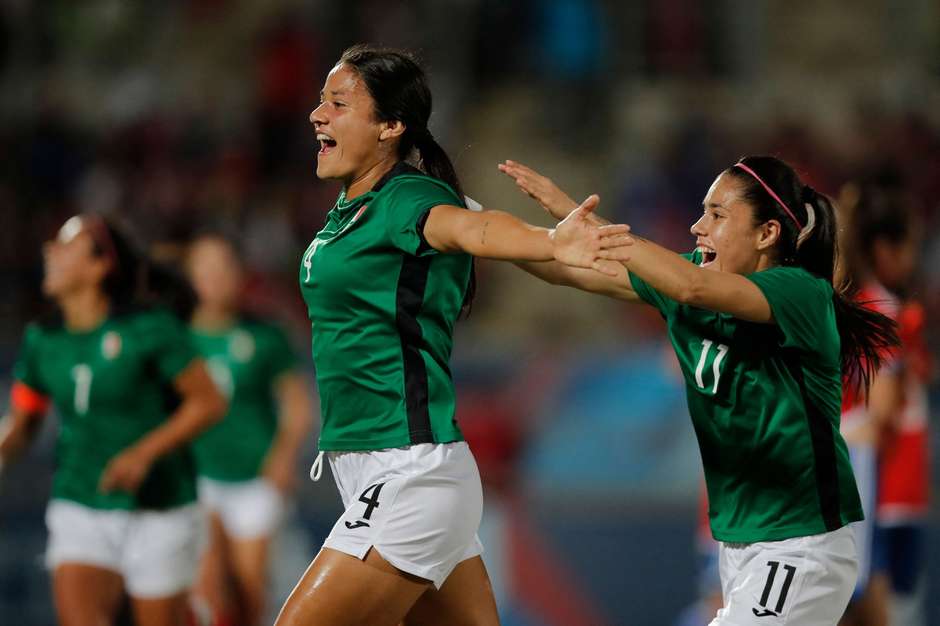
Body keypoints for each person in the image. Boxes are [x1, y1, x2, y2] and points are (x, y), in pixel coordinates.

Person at [275, 44, 630, 626]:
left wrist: (550, 241)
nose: (318, 115)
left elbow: (478, 228)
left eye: (338, 103)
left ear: (391, 126)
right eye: (319, 101)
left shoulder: (410, 199)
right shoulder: (350, 210)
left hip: (408, 472)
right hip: (382, 468)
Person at [499, 156, 898, 625]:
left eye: (717, 215)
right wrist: (464, 230)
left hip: (800, 544)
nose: (696, 226)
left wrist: (582, 217)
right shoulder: (688, 279)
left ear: (767, 233)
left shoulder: (799, 293)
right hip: (740, 545)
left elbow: (690, 286)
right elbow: (567, 269)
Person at [0, 214, 227, 626]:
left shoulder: (149, 329)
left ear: (100, 265)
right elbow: (22, 424)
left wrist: (143, 454)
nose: (51, 250)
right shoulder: (42, 340)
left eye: (68, 243)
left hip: (161, 505)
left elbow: (208, 403)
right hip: (80, 500)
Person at [185, 233, 313, 626]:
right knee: (205, 585)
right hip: (197, 475)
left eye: (223, 267)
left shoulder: (263, 334)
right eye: (205, 268)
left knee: (249, 588)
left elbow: (297, 404)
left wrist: (283, 458)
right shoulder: (175, 336)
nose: (215, 277)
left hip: (254, 478)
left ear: (240, 275)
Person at [837, 187, 928, 626]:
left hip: (867, 474)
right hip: (876, 477)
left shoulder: (851, 306)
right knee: (873, 600)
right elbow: (882, 409)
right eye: (908, 244)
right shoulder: (879, 309)